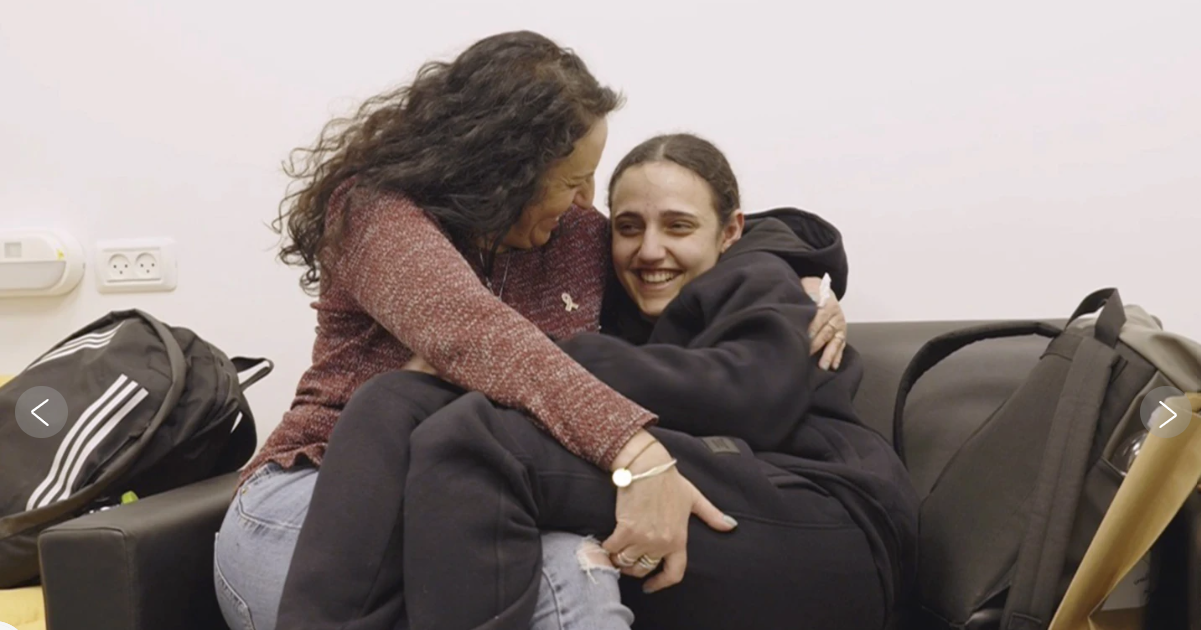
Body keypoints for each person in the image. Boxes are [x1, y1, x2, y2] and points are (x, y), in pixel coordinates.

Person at [212, 32, 848, 630]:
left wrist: (792, 273)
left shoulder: (570, 234)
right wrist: (637, 454)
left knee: (575, 568)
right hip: (317, 493)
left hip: (476, 494)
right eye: (572, 180)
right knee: (554, 575)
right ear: (504, 171)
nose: (585, 199)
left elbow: (682, 232)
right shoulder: (374, 213)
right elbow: (473, 333)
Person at [397, 134, 920, 630]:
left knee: (482, 439)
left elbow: (749, 398)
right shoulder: (615, 295)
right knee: (410, 401)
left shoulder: (760, 278)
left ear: (731, 231)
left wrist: (541, 356)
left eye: (678, 226)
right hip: (731, 500)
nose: (649, 250)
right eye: (628, 227)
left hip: (828, 520)